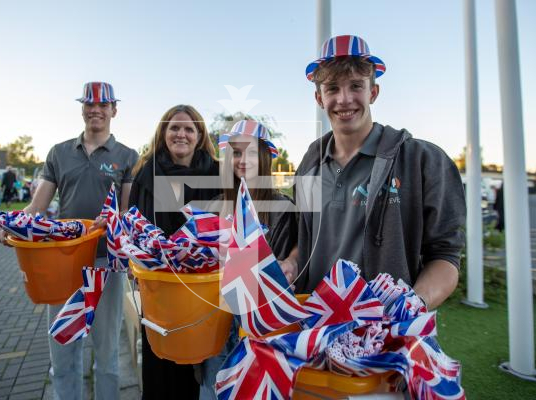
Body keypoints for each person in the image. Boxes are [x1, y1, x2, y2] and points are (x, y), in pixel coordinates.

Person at [280, 35, 466, 311]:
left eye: (356, 86)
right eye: (332, 89)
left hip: (383, 333)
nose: (344, 100)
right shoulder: (310, 162)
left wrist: (411, 306)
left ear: (373, 92)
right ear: (319, 98)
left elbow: (445, 256)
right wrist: (292, 263)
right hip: (312, 322)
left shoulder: (422, 160)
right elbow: (303, 237)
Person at [0, 82, 138, 400]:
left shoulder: (128, 156)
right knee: (63, 349)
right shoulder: (59, 153)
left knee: (107, 354)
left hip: (107, 264)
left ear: (114, 110)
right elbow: (37, 207)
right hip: (63, 262)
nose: (96, 110)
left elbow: (128, 213)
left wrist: (114, 223)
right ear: (82, 109)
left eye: (103, 105)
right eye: (90, 104)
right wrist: (15, 226)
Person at [199, 120, 298, 400]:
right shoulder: (214, 206)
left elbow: (298, 248)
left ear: (265, 157)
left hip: (262, 324)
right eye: (237, 153)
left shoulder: (283, 207)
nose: (243, 160)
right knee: (213, 387)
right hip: (217, 320)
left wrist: (289, 261)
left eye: (251, 153)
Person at [129, 104, 221, 400]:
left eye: (189, 128)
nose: (181, 133)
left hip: (208, 293)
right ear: (163, 133)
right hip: (161, 290)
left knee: (206, 371)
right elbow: (135, 227)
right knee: (163, 369)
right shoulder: (145, 174)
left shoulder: (220, 174)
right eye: (174, 127)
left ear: (199, 135)